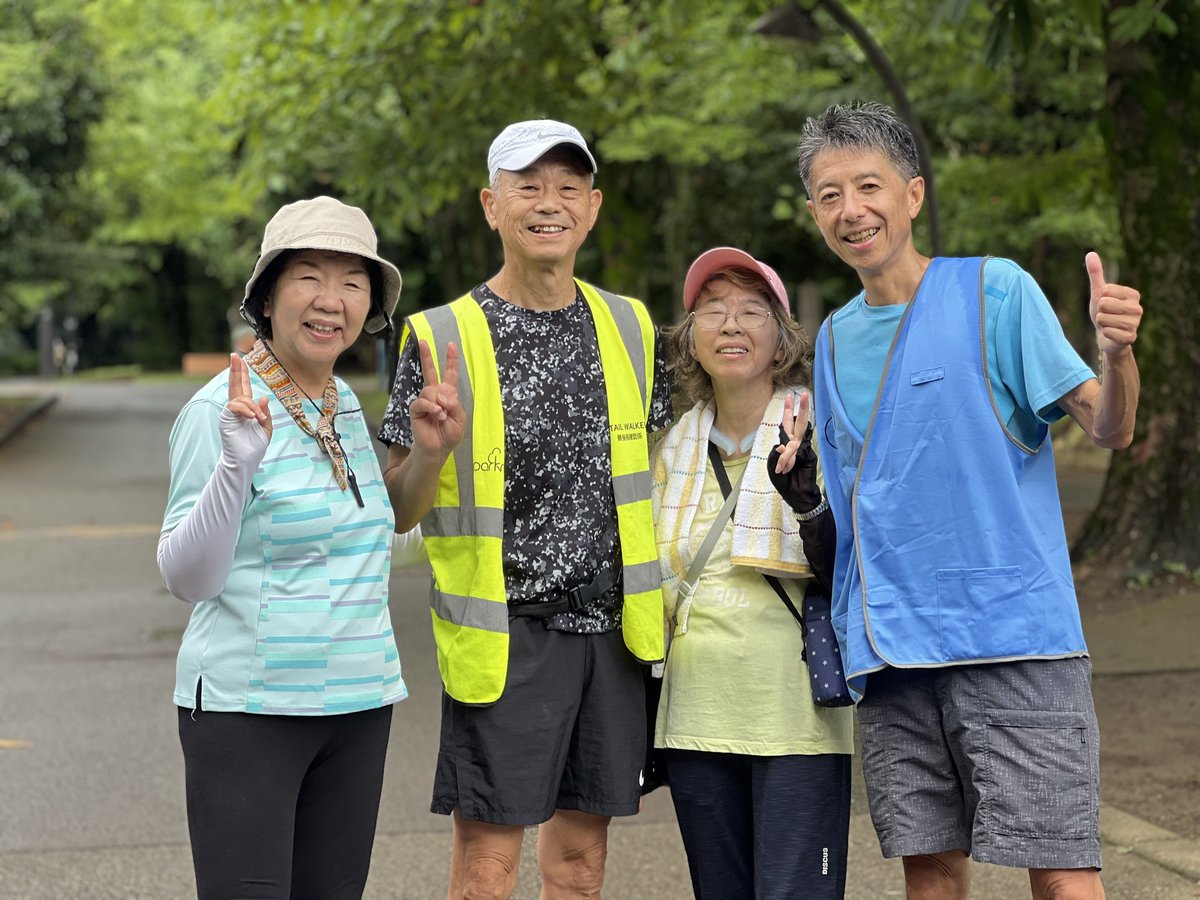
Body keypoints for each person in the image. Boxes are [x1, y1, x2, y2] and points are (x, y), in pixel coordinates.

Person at [796, 101, 1143, 900]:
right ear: (814, 212)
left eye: (868, 186)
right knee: (932, 878)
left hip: (1013, 641)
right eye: (829, 194)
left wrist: (1116, 354)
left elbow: (1110, 427)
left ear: (912, 195)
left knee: (1061, 876)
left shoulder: (995, 291)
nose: (852, 210)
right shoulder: (835, 339)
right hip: (891, 657)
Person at [378, 119, 673, 899]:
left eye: (568, 187)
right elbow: (400, 511)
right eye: (528, 186)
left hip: (611, 636)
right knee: (486, 867)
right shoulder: (439, 335)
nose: (550, 203)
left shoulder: (633, 326)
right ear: (491, 204)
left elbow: (664, 474)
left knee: (579, 864)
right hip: (506, 640)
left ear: (594, 206)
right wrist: (433, 449)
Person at [158, 196, 421, 899]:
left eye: (353, 282)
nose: (331, 299)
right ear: (267, 295)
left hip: (359, 704)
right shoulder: (220, 411)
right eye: (309, 275)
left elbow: (375, 545)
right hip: (251, 711)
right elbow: (187, 578)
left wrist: (435, 456)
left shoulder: (344, 409)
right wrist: (235, 466)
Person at [651, 247, 854, 899]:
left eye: (751, 310)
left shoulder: (821, 430)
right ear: (691, 339)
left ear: (779, 339)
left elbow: (849, 569)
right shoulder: (673, 445)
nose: (731, 324)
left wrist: (806, 500)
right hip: (694, 717)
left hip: (793, 717)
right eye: (712, 310)